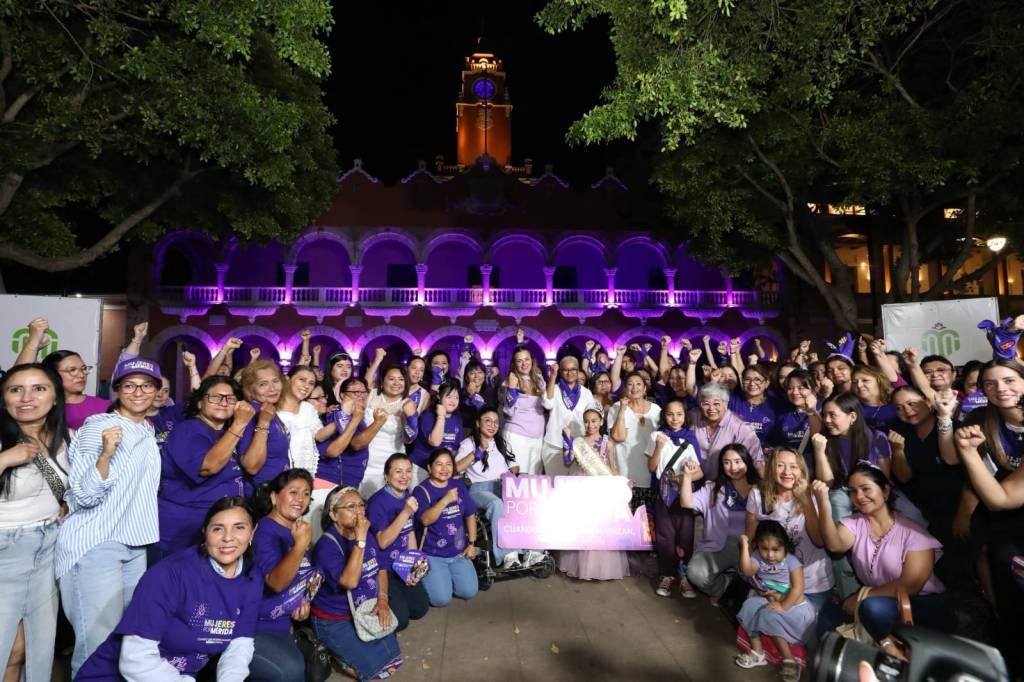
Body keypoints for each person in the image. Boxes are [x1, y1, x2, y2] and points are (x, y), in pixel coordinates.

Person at [75, 497, 263, 681]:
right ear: (205, 533)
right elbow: (135, 660)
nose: (228, 538)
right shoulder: (169, 574)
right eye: (217, 529)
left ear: (252, 532)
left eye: (239, 527)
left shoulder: (252, 578)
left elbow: (239, 645)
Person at [56, 357, 163, 676]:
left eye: (147, 385)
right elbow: (85, 494)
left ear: (158, 391)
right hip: (95, 545)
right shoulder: (98, 427)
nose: (138, 391)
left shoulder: (146, 429)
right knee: (95, 648)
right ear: (116, 390)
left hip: (132, 545)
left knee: (121, 645)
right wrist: (105, 454)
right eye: (129, 385)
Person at [812, 466, 955, 658]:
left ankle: (892, 655)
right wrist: (823, 503)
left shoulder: (914, 533)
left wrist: (863, 596)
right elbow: (834, 545)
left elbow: (911, 585)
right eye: (853, 491)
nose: (859, 496)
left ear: (886, 491)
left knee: (871, 608)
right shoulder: (855, 523)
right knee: (829, 615)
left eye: (866, 488)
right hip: (876, 600)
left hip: (921, 603)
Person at [0, 364, 71, 682]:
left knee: (31, 648)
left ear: (55, 397)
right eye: (16, 390)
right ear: (4, 399)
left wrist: (64, 504)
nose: (27, 397)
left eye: (39, 388)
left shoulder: (59, 437)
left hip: (47, 550)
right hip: (6, 550)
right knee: (5, 649)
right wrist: (4, 459)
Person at [954, 359, 1024, 672]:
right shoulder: (983, 420)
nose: (1000, 389)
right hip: (1009, 528)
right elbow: (999, 498)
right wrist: (967, 450)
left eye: (1009, 380)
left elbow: (1000, 497)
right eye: (991, 384)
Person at [153, 376, 256, 559]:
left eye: (230, 398)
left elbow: (252, 467)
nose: (223, 402)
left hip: (218, 529)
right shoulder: (188, 430)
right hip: (184, 531)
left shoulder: (225, 433)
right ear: (200, 402)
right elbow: (207, 467)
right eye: (215, 397)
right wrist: (239, 424)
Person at [312, 486, 403, 680]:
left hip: (365, 608)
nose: (359, 511)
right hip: (335, 619)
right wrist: (360, 539)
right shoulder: (327, 545)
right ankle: (332, 652)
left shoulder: (366, 535)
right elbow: (350, 582)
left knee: (394, 659)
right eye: (351, 507)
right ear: (334, 515)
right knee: (374, 672)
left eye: (361, 505)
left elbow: (381, 569)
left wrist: (383, 600)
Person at [746, 448, 834, 642]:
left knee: (807, 639)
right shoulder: (758, 494)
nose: (787, 472)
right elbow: (752, 543)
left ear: (802, 471)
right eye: (780, 465)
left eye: (793, 466)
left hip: (812, 584)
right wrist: (757, 581)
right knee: (758, 623)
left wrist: (806, 500)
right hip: (776, 581)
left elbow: (819, 540)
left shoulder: (814, 494)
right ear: (771, 469)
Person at [250, 469, 317, 682]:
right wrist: (300, 546)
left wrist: (301, 602)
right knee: (292, 671)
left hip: (283, 620)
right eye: (293, 492)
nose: (300, 500)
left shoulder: (297, 528)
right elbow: (276, 583)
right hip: (257, 625)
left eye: (306, 494)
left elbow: (299, 575)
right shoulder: (265, 531)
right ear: (274, 497)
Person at [734, 521, 816, 682]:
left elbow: (797, 589)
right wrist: (744, 546)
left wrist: (782, 606)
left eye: (776, 550)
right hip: (770, 600)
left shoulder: (792, 561)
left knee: (768, 614)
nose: (770, 555)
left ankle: (789, 660)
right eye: (765, 549)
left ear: (784, 546)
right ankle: (758, 653)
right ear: (758, 546)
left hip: (795, 607)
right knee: (749, 605)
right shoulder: (758, 557)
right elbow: (747, 570)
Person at [455, 407, 535, 569]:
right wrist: (478, 452)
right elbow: (456, 469)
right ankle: (507, 555)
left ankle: (533, 551)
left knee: (527, 501)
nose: (492, 425)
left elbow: (515, 466)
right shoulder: (468, 443)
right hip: (478, 490)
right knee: (496, 504)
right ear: (478, 423)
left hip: (503, 486)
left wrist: (512, 473)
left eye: (496, 422)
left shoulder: (501, 443)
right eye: (488, 421)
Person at [559, 405, 630, 581]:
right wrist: (567, 439)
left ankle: (600, 568)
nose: (590, 425)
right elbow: (567, 461)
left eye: (594, 421)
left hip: (601, 488)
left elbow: (612, 467)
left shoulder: (608, 442)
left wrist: (622, 481)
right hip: (582, 486)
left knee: (600, 527)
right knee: (584, 526)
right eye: (587, 422)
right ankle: (583, 567)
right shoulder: (578, 442)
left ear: (601, 421)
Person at [682, 444, 760, 602]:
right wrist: (687, 477)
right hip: (718, 546)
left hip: (751, 547)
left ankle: (742, 594)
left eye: (738, 461)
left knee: (760, 582)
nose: (733, 467)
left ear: (747, 462)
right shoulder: (714, 489)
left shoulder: (761, 489)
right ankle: (726, 589)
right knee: (696, 573)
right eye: (727, 462)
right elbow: (686, 502)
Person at [366, 453, 430, 631]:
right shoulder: (377, 502)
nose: (404, 476)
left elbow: (409, 532)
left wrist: (413, 565)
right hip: (384, 568)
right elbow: (383, 543)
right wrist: (405, 512)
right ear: (386, 476)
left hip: (401, 564)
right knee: (401, 621)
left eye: (408, 471)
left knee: (420, 609)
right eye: (398, 471)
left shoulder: (406, 494)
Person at [646, 397, 701, 598]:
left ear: (685, 416)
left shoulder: (690, 438)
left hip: (684, 495)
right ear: (664, 416)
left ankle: (684, 576)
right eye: (670, 414)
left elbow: (699, 472)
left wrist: (685, 476)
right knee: (665, 536)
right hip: (662, 495)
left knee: (686, 536)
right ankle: (667, 575)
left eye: (679, 414)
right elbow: (651, 467)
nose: (674, 418)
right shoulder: (656, 436)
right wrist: (659, 446)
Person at [412, 448, 479, 607]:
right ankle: (431, 577)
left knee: (469, 592)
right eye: (439, 464)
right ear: (429, 468)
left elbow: (470, 514)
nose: (445, 469)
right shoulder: (421, 491)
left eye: (449, 464)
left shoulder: (458, 485)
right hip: (432, 555)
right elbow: (425, 520)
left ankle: (446, 578)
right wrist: (445, 500)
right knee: (441, 600)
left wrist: (471, 544)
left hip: (458, 551)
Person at [690, 383, 765, 479]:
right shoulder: (692, 416)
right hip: (694, 481)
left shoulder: (741, 427)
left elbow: (757, 462)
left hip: (725, 484)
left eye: (716, 403)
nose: (711, 408)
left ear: (725, 403)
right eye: (706, 404)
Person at [362, 366, 416, 496]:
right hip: (366, 460)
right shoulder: (370, 395)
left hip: (392, 461)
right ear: (382, 381)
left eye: (401, 379)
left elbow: (410, 439)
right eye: (391, 379)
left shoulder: (407, 404)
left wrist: (410, 417)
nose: (396, 383)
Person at [237, 360, 290, 487]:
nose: (272, 388)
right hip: (261, 494)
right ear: (250, 390)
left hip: (278, 489)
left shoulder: (268, 409)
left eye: (275, 381)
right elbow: (251, 466)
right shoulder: (252, 412)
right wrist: (263, 422)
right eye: (263, 384)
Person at [608, 372, 662, 497]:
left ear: (644, 389)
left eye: (638, 384)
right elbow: (618, 437)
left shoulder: (656, 410)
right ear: (625, 389)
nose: (634, 388)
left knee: (647, 516)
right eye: (630, 384)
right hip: (624, 474)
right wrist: (623, 409)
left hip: (650, 474)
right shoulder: (615, 408)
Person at [542, 355, 595, 476]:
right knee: (555, 486)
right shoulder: (554, 389)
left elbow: (591, 417)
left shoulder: (586, 393)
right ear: (560, 372)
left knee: (576, 488)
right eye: (565, 370)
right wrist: (553, 375)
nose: (569, 373)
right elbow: (547, 404)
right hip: (555, 446)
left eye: (573, 369)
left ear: (578, 371)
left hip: (579, 447)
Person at [276, 365, 333, 476]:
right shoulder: (273, 409)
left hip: (303, 473)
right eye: (302, 380)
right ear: (287, 379)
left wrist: (342, 416)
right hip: (279, 473)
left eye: (311, 383)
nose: (306, 386)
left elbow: (319, 435)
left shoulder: (307, 408)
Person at [501, 345, 547, 474]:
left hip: (538, 437)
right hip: (517, 436)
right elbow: (508, 411)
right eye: (519, 361)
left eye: (526, 359)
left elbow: (547, 404)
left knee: (534, 479)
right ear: (514, 364)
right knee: (518, 479)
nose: (524, 363)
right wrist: (511, 387)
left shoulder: (539, 379)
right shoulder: (508, 382)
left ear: (532, 360)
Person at [411, 380, 462, 475]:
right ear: (439, 397)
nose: (453, 401)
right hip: (421, 468)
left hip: (442, 470)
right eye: (449, 397)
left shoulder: (457, 418)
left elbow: (455, 448)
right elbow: (435, 442)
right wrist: (441, 417)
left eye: (456, 397)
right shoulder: (427, 416)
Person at [851, 365, 899, 433]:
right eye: (854, 382)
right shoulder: (851, 409)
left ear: (879, 381)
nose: (859, 385)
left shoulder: (896, 403)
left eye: (865, 380)